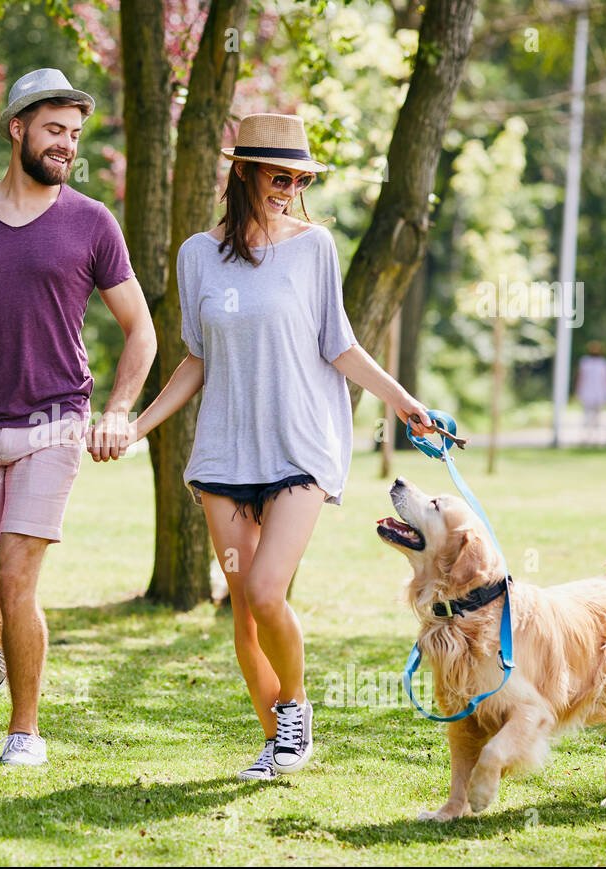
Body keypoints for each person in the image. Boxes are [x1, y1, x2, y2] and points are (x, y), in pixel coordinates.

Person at [127, 113, 434, 781]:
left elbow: (340, 345)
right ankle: (278, 741)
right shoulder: (195, 256)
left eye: (299, 178)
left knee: (268, 590)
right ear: (242, 171)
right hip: (222, 458)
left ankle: (294, 712)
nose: (289, 188)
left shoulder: (313, 247)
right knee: (244, 610)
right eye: (278, 175)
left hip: (299, 449)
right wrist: (137, 425)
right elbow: (194, 360)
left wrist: (403, 401)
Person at [0, 68, 157, 766]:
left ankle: (25, 732)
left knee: (18, 580)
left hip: (55, 422)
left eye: (73, 135)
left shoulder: (91, 222)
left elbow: (143, 330)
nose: (65, 146)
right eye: (53, 131)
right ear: (16, 128)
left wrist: (118, 410)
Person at [574, 340, 606, 445]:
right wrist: (578, 391)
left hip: (600, 393)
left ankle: (596, 438)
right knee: (586, 416)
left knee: (598, 417)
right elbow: (580, 377)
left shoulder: (604, 363)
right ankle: (585, 437)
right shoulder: (585, 362)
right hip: (587, 393)